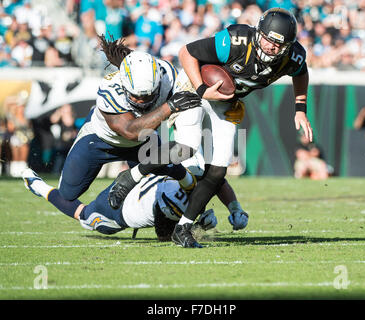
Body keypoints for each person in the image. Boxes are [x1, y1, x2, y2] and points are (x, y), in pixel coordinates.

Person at [109, 8, 313, 248]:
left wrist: (300, 108)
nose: (271, 47)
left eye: (278, 45)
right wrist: (202, 90)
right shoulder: (236, 41)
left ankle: (183, 228)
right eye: (268, 39)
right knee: (187, 147)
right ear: (259, 33)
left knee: (218, 171)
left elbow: (301, 73)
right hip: (197, 85)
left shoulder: (293, 57)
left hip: (226, 100)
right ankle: (131, 176)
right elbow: (186, 52)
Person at [56, 35, 201, 205]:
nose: (141, 101)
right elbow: (131, 131)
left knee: (166, 185)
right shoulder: (110, 87)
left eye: (148, 96)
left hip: (144, 142)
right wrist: (169, 106)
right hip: (100, 140)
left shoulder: (167, 76)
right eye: (136, 96)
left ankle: (195, 203)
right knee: (67, 194)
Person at [21, 168, 217, 241]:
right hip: (116, 211)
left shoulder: (188, 181)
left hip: (131, 184)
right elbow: (165, 235)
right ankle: (38, 186)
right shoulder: (173, 204)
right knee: (83, 215)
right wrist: (199, 226)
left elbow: (172, 167)